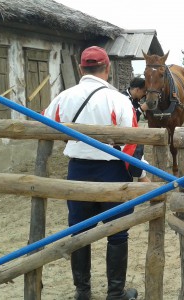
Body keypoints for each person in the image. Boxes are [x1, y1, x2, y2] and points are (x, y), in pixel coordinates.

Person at [42, 46, 140, 300]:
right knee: (117, 232)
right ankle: (115, 293)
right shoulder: (118, 99)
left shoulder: (63, 98)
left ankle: (82, 292)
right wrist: (140, 174)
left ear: (80, 69)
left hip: (77, 170)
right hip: (113, 171)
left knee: (79, 230)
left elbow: (44, 123)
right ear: (107, 69)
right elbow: (131, 143)